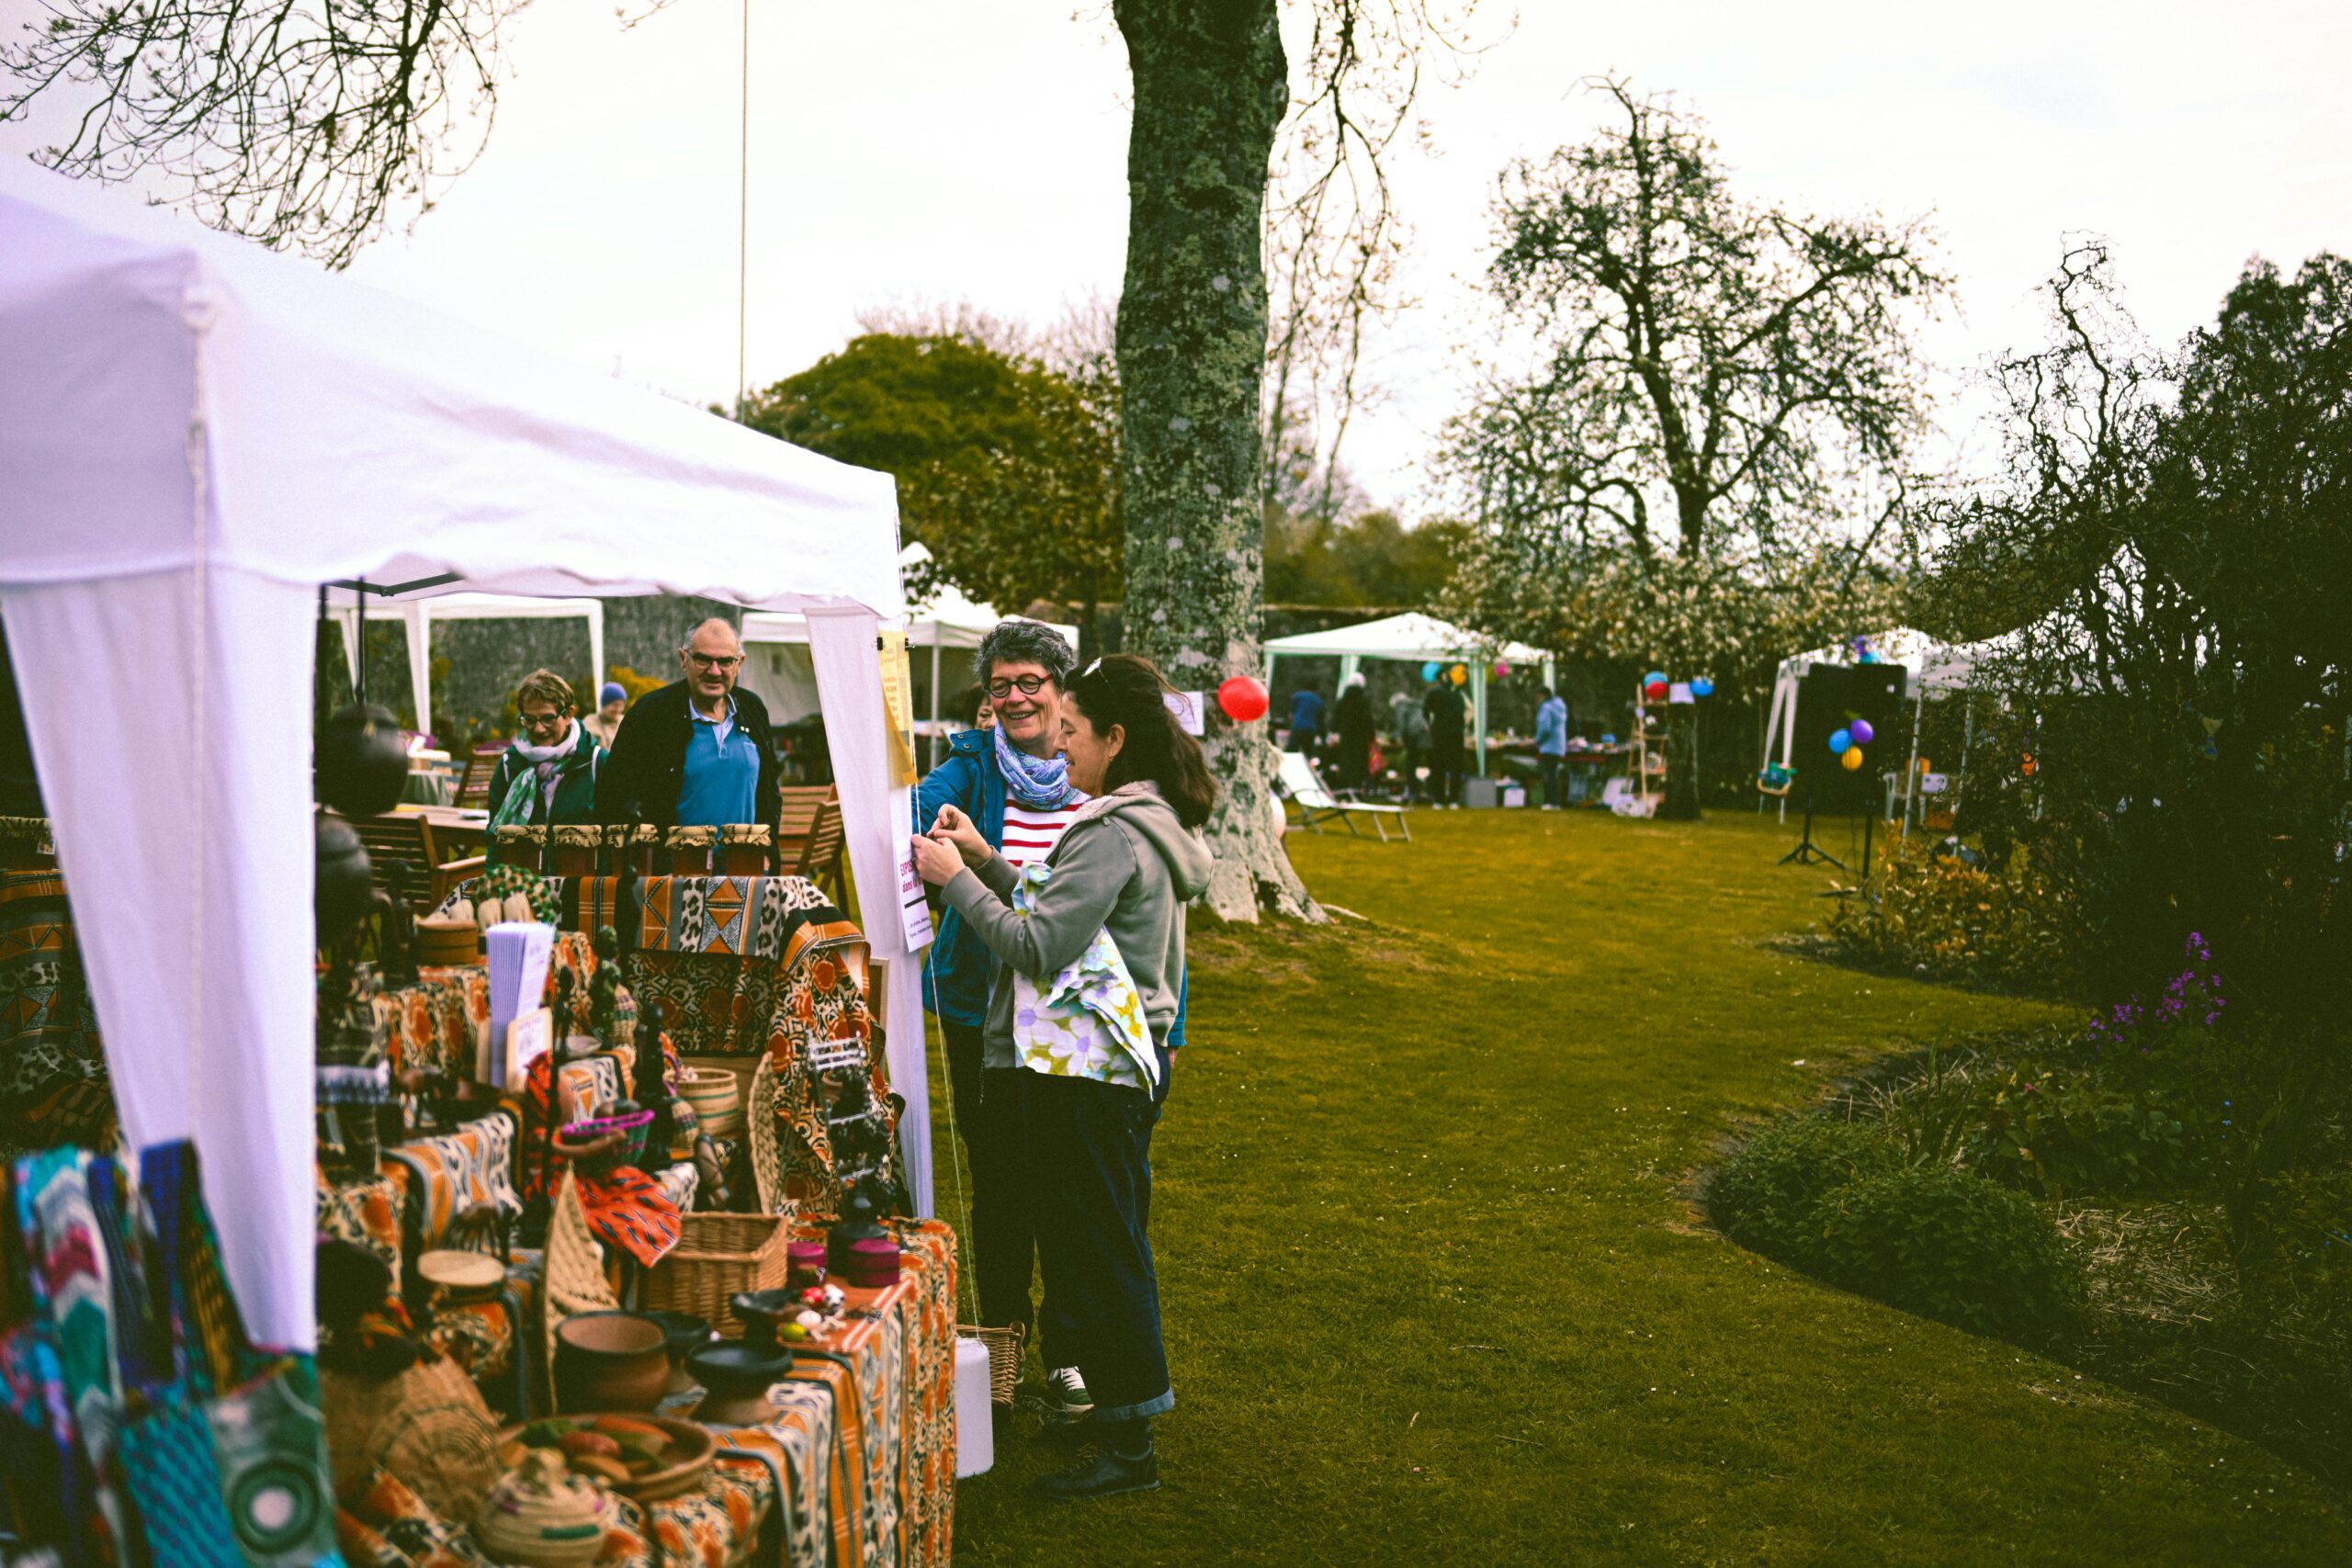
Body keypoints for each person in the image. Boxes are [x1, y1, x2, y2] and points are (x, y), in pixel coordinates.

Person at [910, 653, 1213, 1502]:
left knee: (1103, 1255)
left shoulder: (1114, 830)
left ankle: (1130, 1443)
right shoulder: (1141, 821)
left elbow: (1037, 946)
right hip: (1106, 1073)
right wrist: (986, 856)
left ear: (1115, 739)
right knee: (1098, 1247)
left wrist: (956, 881)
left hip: (1090, 1076)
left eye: (1074, 731)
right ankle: (1120, 1426)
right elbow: (1060, 912)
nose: (1062, 747)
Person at [912, 622, 1091, 1421]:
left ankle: (1073, 1353)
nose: (1015, 697)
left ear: (1060, 689)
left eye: (1029, 682)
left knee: (1072, 1180)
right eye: (1000, 685)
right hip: (979, 1007)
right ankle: (1000, 1347)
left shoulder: (1096, 765)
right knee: (998, 1178)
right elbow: (905, 820)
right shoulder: (970, 766)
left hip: (1076, 1010)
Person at [595, 618, 779, 828]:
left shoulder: (752, 709)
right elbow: (614, 797)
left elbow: (770, 792)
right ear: (683, 659)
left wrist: (767, 853)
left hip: (745, 860)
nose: (714, 671)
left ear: (739, 664)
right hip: (676, 860)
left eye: (725, 661)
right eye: (703, 660)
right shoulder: (651, 715)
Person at [485, 670, 606, 837]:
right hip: (519, 863)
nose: (539, 729)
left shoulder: (596, 763)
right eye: (529, 719)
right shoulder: (510, 764)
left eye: (548, 718)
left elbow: (613, 837)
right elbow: (494, 838)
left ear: (568, 714)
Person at [1422, 671, 1467, 807]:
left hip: (1439, 734)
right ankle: (1454, 800)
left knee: (1438, 768)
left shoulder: (1434, 693)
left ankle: (1439, 800)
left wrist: (1429, 724)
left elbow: (1425, 710)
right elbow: (1462, 712)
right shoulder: (1458, 694)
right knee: (1455, 769)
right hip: (1456, 734)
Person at [1330, 671, 1374, 791]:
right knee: (1358, 765)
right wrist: (1372, 736)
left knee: (1345, 763)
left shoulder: (1342, 700)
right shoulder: (1363, 701)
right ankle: (1356, 789)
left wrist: (1334, 732)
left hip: (1346, 737)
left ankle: (1343, 790)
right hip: (1360, 738)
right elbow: (1368, 720)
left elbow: (1336, 719)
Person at [1388, 687, 1431, 802]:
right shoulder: (1417, 704)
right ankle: (1432, 793)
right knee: (1432, 765)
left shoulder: (1401, 705)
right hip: (1428, 736)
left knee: (1411, 765)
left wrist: (1395, 737)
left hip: (1413, 737)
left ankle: (1413, 793)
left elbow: (1402, 725)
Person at [1534, 685, 1570, 809]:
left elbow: (1544, 728)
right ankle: (1554, 801)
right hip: (1558, 745)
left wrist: (1537, 740)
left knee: (1548, 775)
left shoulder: (1546, 708)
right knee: (1553, 774)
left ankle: (1550, 802)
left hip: (1548, 745)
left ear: (1542, 695)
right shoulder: (1559, 707)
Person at [582, 682, 628, 749]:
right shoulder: (589, 724)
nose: (618, 709)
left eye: (621, 705)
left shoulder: (626, 722)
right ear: (604, 704)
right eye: (615, 705)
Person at [1285, 679, 1323, 753]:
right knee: (1307, 753)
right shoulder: (1319, 701)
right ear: (1316, 690)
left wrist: (1292, 725)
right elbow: (1319, 720)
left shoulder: (1297, 696)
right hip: (1311, 730)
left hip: (1298, 727)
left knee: (1291, 751)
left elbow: (1291, 715)